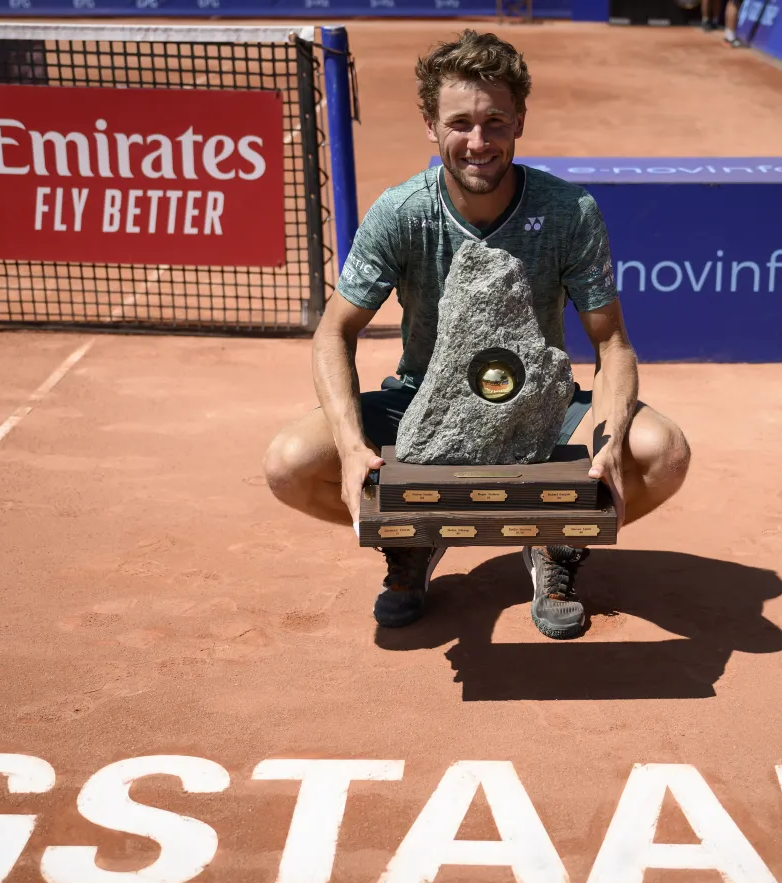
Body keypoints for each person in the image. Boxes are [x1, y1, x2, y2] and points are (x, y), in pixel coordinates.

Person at [263, 30, 690, 640]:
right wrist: (353, 447)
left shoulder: (569, 213)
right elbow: (334, 332)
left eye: (495, 121)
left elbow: (612, 344)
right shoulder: (402, 212)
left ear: (519, 121)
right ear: (431, 127)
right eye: (459, 122)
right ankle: (412, 536)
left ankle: (554, 544)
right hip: (421, 403)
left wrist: (610, 440)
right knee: (289, 464)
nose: (478, 141)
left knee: (664, 452)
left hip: (542, 405)